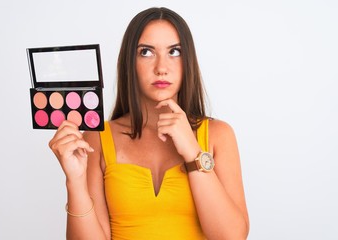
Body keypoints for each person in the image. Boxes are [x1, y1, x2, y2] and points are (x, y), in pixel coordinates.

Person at [49, 7, 249, 240]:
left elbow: (232, 237)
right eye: (146, 52)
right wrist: (74, 181)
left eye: (174, 51)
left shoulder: (218, 135)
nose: (161, 68)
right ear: (129, 62)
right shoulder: (97, 139)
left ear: (188, 61)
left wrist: (193, 153)